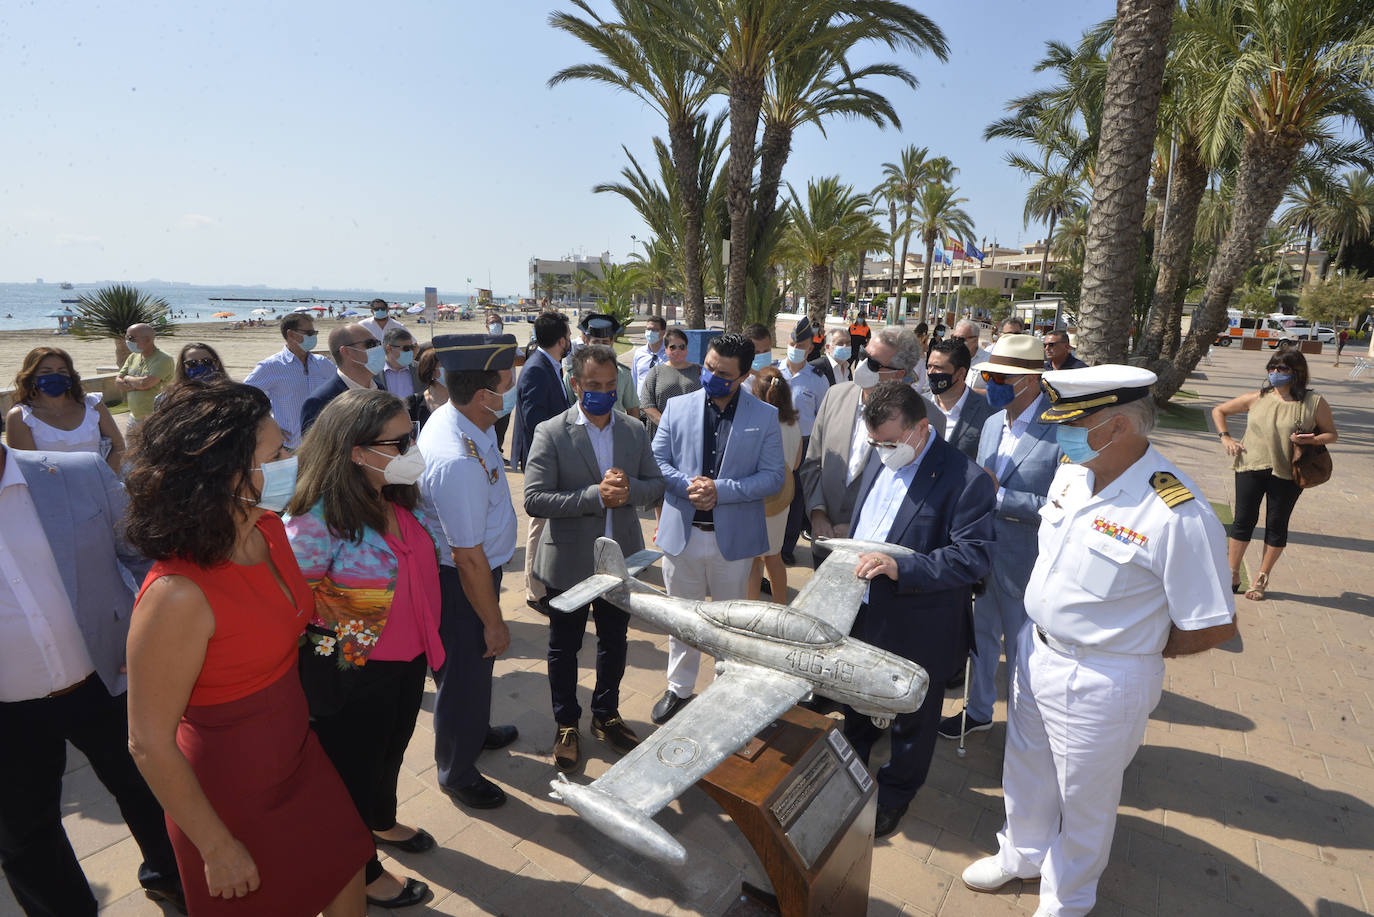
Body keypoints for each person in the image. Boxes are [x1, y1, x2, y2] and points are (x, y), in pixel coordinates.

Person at [962, 365, 1237, 917]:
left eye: (1072, 422)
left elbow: (1213, 623)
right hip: (1035, 650)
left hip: (1104, 678)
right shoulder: (1073, 473)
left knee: (1083, 799)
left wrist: (1135, 647)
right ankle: (1021, 854)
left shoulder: (1175, 512)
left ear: (1116, 428)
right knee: (1025, 767)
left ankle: (1066, 899)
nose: (1058, 431)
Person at [124, 381, 370, 915]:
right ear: (224, 476)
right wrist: (216, 846)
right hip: (229, 792)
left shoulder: (268, 528)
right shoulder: (176, 595)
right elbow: (147, 742)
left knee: (346, 870)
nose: (291, 459)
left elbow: (282, 617)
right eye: (276, 452)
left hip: (297, 752)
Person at [0, 430, 183, 915]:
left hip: (110, 677)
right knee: (24, 834)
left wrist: (153, 632)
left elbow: (145, 556)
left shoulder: (76, 473)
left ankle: (175, 880)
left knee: (150, 787)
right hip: (7, 711)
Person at [283, 390, 441, 909]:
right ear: (356, 450)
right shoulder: (315, 520)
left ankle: (381, 820)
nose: (411, 448)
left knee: (390, 750)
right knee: (351, 771)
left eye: (411, 434)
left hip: (407, 660)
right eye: (399, 441)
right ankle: (363, 869)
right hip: (354, 671)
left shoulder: (389, 494)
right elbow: (289, 607)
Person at [841, 382, 994, 839]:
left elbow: (973, 556)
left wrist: (901, 568)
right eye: (875, 444)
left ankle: (895, 795)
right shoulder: (883, 454)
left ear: (921, 429)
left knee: (914, 719)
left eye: (890, 442)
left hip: (920, 622)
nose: (882, 451)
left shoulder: (966, 479)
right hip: (863, 610)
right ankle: (849, 772)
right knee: (857, 701)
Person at [523, 345, 665, 771]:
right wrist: (592, 497)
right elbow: (534, 499)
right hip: (567, 561)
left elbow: (655, 485)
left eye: (608, 386)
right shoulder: (551, 431)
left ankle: (606, 715)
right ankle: (567, 723)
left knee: (614, 643)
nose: (601, 393)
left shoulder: (633, 430)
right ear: (575, 384)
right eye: (592, 386)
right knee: (563, 647)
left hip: (617, 562)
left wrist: (629, 492)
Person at [650, 333, 785, 723]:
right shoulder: (677, 407)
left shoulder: (763, 416)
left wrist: (720, 490)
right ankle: (679, 688)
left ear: (743, 376)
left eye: (723, 373)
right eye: (708, 367)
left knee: (731, 626)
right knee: (683, 618)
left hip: (734, 542)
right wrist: (688, 485)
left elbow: (773, 477)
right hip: (682, 534)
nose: (712, 376)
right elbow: (658, 460)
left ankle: (729, 693)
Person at [938, 334, 1062, 739]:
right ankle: (978, 711)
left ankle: (1024, 733)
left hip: (1027, 562)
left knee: (1026, 654)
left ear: (1029, 381)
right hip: (984, 557)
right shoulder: (992, 422)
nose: (989, 383)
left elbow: (1062, 506)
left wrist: (1001, 495)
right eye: (988, 374)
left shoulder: (1061, 430)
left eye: (998, 377)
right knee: (982, 641)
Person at [416, 333, 522, 810]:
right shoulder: (456, 459)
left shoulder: (460, 417)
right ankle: (457, 769)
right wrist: (494, 621)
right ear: (485, 395)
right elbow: (468, 556)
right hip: (462, 583)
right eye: (508, 382)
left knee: (476, 675)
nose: (513, 388)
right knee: (464, 675)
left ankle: (475, 731)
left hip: (471, 575)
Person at [800, 325, 944, 569]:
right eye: (865, 356)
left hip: (877, 557)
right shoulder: (835, 396)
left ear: (899, 374)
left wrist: (860, 526)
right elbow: (813, 463)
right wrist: (817, 513)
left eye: (875, 364)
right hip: (824, 542)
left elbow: (918, 495)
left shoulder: (928, 419)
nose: (864, 365)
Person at [1212, 349, 1338, 601]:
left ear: (1297, 373)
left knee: (1277, 525)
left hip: (1289, 472)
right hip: (1251, 465)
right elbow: (1219, 411)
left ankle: (1261, 578)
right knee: (1243, 521)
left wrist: (1311, 438)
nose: (1275, 373)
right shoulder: (1257, 397)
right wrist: (1226, 438)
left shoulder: (1313, 403)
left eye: (1282, 369)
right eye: (1272, 368)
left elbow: (1331, 434)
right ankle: (1232, 573)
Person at [512, 311, 573, 611]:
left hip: (551, 458)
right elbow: (536, 421)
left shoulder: (549, 365)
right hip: (544, 461)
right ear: (562, 340)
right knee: (539, 524)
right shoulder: (537, 368)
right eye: (569, 336)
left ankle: (543, 582)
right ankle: (535, 590)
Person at [5, 346, 125, 472]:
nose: (55, 376)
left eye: (62, 371)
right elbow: (29, 468)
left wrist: (105, 478)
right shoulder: (21, 416)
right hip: (53, 489)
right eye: (46, 372)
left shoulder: (93, 404)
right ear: (32, 377)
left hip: (102, 485)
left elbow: (118, 446)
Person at [747, 366, 802, 600]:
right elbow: (796, 463)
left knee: (752, 560)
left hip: (756, 499)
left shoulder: (756, 425)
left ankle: (749, 609)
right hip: (781, 500)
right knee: (774, 556)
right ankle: (780, 607)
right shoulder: (793, 424)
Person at [778, 317, 829, 563]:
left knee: (797, 497)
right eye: (792, 343)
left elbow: (823, 416)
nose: (795, 349)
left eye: (801, 346)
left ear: (810, 348)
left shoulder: (817, 379)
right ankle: (770, 543)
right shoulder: (773, 373)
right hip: (774, 442)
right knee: (772, 492)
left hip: (804, 443)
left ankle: (786, 547)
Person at [243, 313, 334, 450]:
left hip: (321, 447)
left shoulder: (322, 363)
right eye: (309, 333)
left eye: (315, 332)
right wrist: (264, 424)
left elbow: (343, 387)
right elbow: (243, 396)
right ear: (291, 334)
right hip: (289, 447)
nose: (314, 336)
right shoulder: (271, 366)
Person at [300, 324, 385, 435]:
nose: (378, 348)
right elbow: (315, 451)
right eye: (371, 344)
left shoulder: (380, 390)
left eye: (378, 343)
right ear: (347, 352)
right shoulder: (320, 402)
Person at [923, 338, 992, 462]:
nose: (931, 373)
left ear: (960, 373)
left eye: (938, 368)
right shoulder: (918, 406)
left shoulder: (988, 412)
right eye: (929, 366)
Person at [562, 313, 641, 419]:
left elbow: (633, 410)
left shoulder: (623, 374)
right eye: (596, 342)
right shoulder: (573, 374)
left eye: (605, 342)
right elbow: (566, 409)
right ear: (586, 341)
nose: (600, 346)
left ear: (612, 343)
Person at [639, 326, 701, 439]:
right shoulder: (655, 372)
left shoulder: (699, 371)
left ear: (686, 349)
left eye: (682, 347)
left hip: (692, 435)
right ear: (666, 349)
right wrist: (667, 426)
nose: (678, 351)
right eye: (673, 347)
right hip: (661, 435)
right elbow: (647, 404)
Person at [115, 323, 175, 426]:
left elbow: (145, 383)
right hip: (134, 418)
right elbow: (118, 380)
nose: (128, 341)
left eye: (131, 338)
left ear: (147, 340)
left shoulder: (164, 359)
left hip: (156, 419)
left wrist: (128, 378)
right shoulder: (133, 357)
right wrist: (134, 382)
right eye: (126, 337)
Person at [380, 325, 422, 401]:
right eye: (406, 348)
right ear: (389, 348)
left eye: (412, 347)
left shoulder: (420, 369)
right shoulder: (373, 373)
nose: (410, 351)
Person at [631, 315, 669, 394]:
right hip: (641, 403)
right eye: (648, 329)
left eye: (654, 330)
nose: (650, 333)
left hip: (662, 403)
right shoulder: (639, 353)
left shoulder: (670, 354)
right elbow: (634, 379)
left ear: (663, 332)